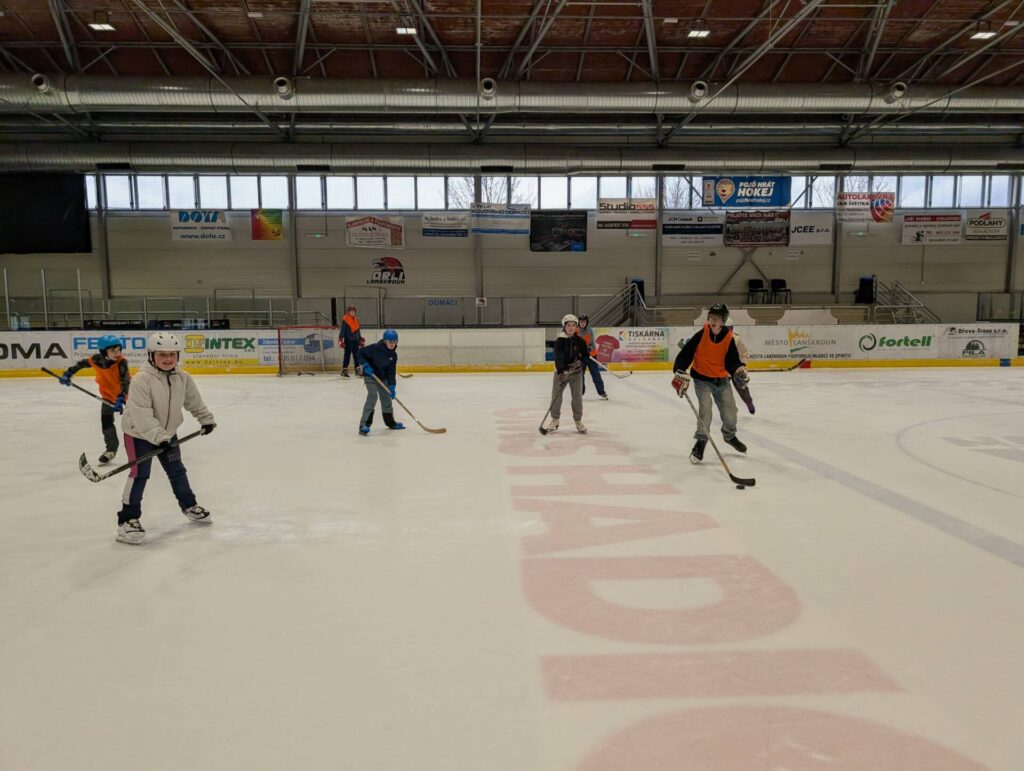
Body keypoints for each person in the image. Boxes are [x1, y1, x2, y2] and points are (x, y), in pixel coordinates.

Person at [115, 331, 216, 545]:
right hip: (138, 434)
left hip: (167, 434)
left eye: (172, 354)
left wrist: (205, 419)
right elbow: (141, 414)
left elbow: (194, 401)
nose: (168, 359)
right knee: (139, 474)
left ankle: (189, 505)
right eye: (162, 354)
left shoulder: (183, 377)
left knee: (176, 470)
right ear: (151, 355)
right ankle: (127, 519)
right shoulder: (142, 379)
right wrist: (159, 436)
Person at [671, 302, 749, 463]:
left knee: (731, 412)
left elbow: (732, 361)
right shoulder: (702, 334)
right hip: (702, 379)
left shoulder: (728, 338)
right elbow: (687, 353)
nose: (713, 321)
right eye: (711, 317)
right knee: (705, 410)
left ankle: (729, 435)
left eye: (717, 318)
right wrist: (680, 370)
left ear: (723, 321)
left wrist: (738, 370)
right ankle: (701, 442)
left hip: (721, 380)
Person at [58, 334, 130, 465]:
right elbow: (81, 364)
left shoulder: (121, 362)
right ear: (103, 351)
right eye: (113, 350)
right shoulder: (96, 360)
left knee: (137, 422)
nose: (117, 353)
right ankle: (111, 450)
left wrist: (120, 399)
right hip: (108, 397)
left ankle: (149, 444)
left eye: (119, 349)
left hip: (127, 395)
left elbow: (125, 382)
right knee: (106, 423)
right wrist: (68, 373)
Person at [544, 314, 590, 434]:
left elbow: (585, 356)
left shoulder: (580, 341)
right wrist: (562, 370)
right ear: (564, 326)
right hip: (561, 373)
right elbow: (558, 357)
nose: (571, 327)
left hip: (576, 373)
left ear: (576, 327)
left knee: (577, 397)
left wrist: (581, 361)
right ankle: (555, 419)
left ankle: (578, 421)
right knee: (556, 396)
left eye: (573, 325)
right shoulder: (559, 341)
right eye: (568, 325)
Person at [355, 328, 405, 436]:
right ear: (385, 340)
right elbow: (360, 352)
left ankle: (390, 422)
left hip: (382, 377)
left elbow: (391, 372)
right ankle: (364, 425)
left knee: (387, 398)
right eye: (390, 341)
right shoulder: (375, 348)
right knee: (372, 395)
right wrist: (365, 365)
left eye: (394, 341)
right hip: (371, 375)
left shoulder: (393, 355)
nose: (392, 344)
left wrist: (392, 385)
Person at [576, 314, 607, 400]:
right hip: (581, 357)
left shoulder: (590, 331)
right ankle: (580, 393)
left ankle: (602, 392)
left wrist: (587, 351)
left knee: (596, 374)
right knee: (580, 376)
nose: (582, 323)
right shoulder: (576, 331)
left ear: (587, 322)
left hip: (591, 356)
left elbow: (592, 345)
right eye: (581, 322)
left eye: (584, 322)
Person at [338, 305, 363, 378]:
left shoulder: (356, 319)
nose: (352, 312)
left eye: (353, 311)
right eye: (351, 311)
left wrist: (360, 338)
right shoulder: (345, 319)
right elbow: (342, 330)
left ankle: (357, 369)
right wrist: (340, 338)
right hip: (348, 339)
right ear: (348, 312)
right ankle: (345, 369)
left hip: (356, 340)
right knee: (347, 355)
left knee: (356, 355)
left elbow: (358, 330)